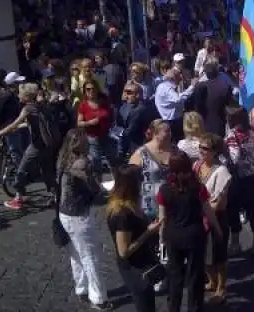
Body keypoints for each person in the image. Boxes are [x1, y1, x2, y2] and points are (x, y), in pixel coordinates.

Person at [157, 150, 222, 312]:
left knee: (175, 276)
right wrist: (218, 229)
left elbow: (162, 218)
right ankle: (194, 308)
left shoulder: (164, 190)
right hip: (195, 236)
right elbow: (208, 212)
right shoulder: (198, 188)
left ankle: (174, 307)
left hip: (174, 236)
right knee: (195, 276)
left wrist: (161, 238)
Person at [56, 128, 112, 310]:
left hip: (64, 212)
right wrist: (109, 190)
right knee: (90, 256)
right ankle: (98, 298)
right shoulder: (82, 163)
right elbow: (94, 189)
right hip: (79, 215)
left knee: (76, 253)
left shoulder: (63, 159)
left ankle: (81, 288)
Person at [0, 83, 56, 211]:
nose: (18, 95)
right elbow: (29, 124)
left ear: (26, 96)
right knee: (47, 172)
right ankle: (56, 195)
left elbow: (14, 124)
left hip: (36, 146)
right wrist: (11, 130)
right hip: (48, 144)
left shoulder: (28, 109)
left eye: (20, 93)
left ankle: (19, 198)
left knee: (21, 171)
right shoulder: (40, 106)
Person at [106, 165, 161, 312]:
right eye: (141, 179)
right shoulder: (122, 214)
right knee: (144, 305)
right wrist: (148, 232)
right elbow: (124, 252)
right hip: (134, 268)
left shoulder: (132, 203)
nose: (144, 182)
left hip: (142, 261)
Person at [195, 133, 232, 305]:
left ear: (215, 151)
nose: (201, 151)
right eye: (200, 147)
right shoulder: (197, 165)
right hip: (199, 217)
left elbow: (219, 204)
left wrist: (203, 208)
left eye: (205, 148)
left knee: (219, 255)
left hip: (216, 218)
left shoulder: (222, 172)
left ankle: (221, 287)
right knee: (203, 254)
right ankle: (212, 281)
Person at [225, 105, 254, 254]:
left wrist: (223, 155)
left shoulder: (232, 136)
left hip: (238, 178)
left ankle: (235, 243)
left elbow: (233, 159)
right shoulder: (252, 130)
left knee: (233, 209)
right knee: (253, 208)